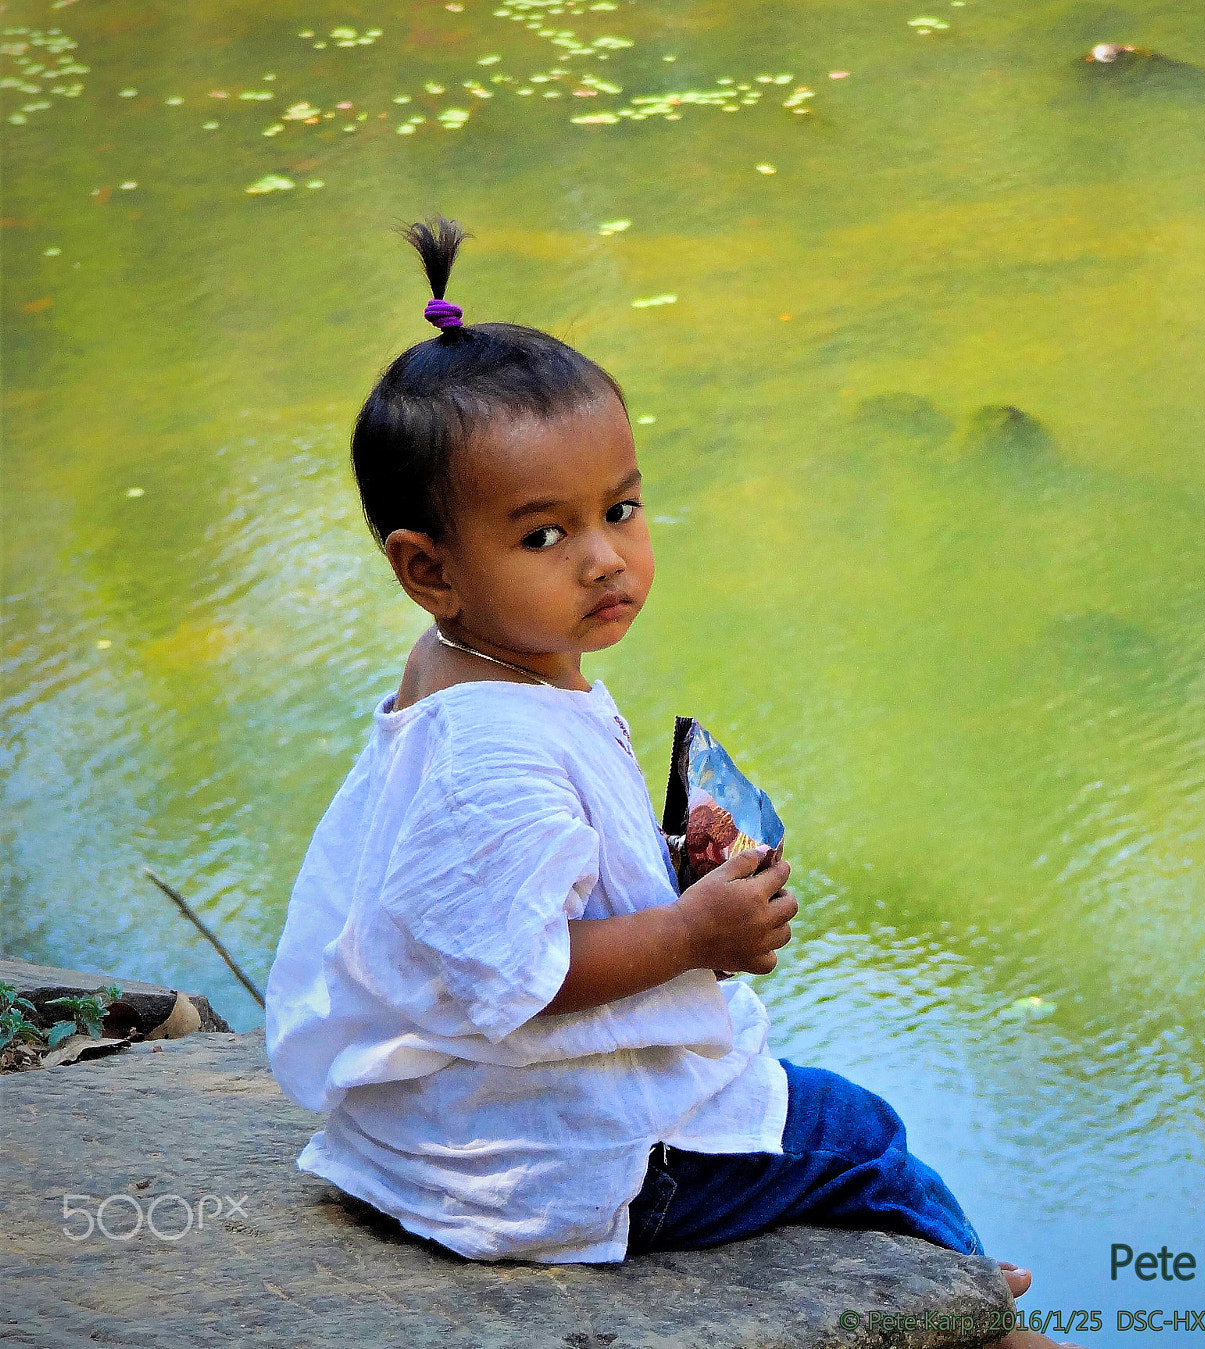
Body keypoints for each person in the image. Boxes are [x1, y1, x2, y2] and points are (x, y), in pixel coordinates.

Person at [264, 216, 1066, 1347]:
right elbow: (522, 974)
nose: (603, 556)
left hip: (457, 1132)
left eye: (619, 511)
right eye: (543, 536)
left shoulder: (468, 671)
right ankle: (974, 1317)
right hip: (551, 1165)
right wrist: (693, 935)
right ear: (427, 568)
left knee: (817, 1106)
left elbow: (513, 879)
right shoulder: (494, 750)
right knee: (858, 1129)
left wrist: (653, 865)